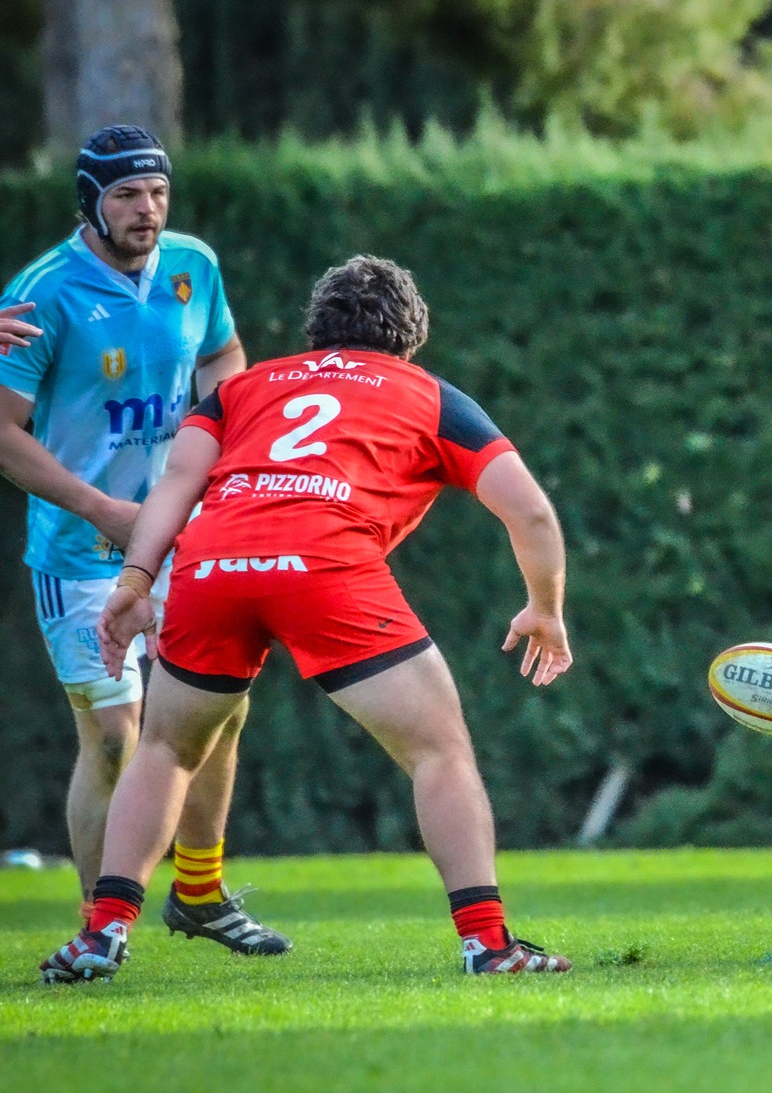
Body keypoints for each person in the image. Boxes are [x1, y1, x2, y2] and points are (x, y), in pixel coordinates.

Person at [38, 256, 575, 982]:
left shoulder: (243, 389)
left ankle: (101, 934)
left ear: (317, 331)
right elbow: (531, 510)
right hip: (324, 565)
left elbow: (178, 481)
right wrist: (545, 608)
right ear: (410, 337)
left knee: (164, 749)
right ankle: (488, 943)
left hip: (212, 562)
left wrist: (135, 580)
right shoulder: (428, 395)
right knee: (438, 752)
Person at [0, 126, 283, 954]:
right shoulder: (44, 293)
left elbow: (225, 360)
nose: (147, 210)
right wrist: (101, 509)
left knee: (219, 714)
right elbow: (4, 432)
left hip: (187, 542)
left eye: (156, 193)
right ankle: (99, 928)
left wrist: (228, 467)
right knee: (117, 736)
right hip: (80, 552)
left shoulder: (194, 266)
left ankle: (199, 894)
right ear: (90, 201)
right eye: (126, 195)